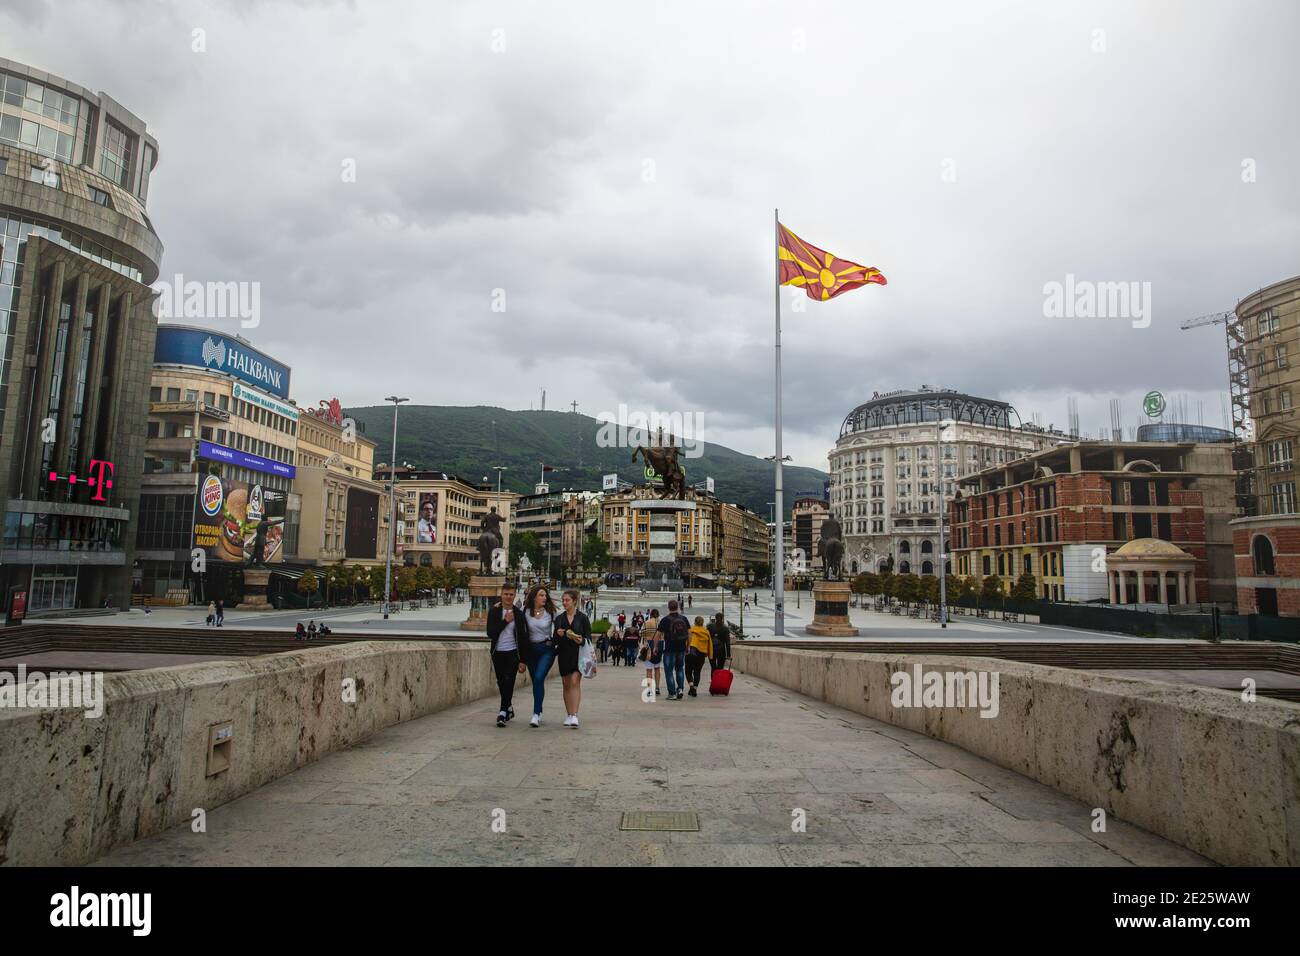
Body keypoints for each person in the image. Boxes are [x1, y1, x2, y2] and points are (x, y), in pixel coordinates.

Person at [486, 582, 528, 727]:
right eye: (506, 594)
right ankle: (509, 707)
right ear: (501, 595)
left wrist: (523, 660)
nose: (508, 597)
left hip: (512, 652)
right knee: (501, 682)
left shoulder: (519, 614)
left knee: (509, 681)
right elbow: (491, 633)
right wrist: (505, 621)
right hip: (497, 652)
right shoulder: (494, 611)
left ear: (515, 595)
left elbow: (523, 638)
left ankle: (503, 712)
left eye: (511, 594)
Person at [554, 588, 591, 729]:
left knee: (575, 681)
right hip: (563, 653)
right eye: (563, 600)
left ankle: (574, 714)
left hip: (578, 654)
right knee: (566, 683)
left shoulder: (582, 618)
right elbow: (554, 639)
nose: (564, 603)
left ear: (574, 601)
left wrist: (580, 640)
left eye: (567, 600)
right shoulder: (559, 619)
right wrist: (558, 634)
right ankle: (569, 714)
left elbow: (587, 637)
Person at [523, 584, 557, 727]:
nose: (544, 598)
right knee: (536, 681)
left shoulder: (551, 612)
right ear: (534, 597)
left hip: (546, 649)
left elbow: (562, 625)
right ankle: (539, 709)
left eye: (545, 595)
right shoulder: (525, 611)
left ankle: (536, 713)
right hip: (531, 650)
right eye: (541, 595)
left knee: (538, 677)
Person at [657, 600, 691, 700]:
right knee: (680, 669)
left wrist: (655, 647)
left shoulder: (665, 620)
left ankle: (672, 694)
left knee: (669, 671)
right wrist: (688, 646)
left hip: (669, 649)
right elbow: (689, 634)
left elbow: (658, 635)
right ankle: (680, 689)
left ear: (668, 607)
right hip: (681, 649)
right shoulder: (684, 618)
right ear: (678, 607)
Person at [685, 615, 713, 698]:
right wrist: (710, 655)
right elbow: (710, 644)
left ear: (694, 622)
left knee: (688, 671)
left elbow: (686, 641)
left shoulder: (691, 630)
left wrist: (684, 650)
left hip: (691, 652)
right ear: (703, 623)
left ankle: (691, 686)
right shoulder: (706, 632)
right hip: (701, 654)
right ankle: (695, 688)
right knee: (697, 672)